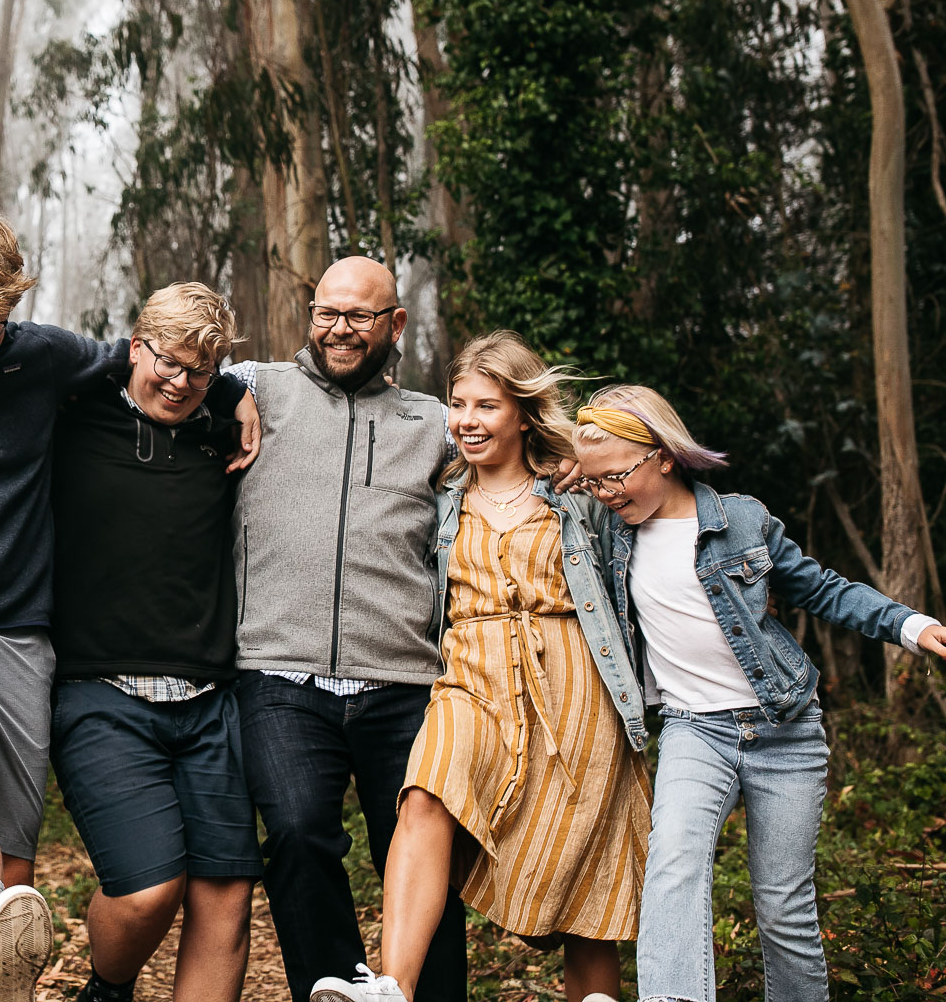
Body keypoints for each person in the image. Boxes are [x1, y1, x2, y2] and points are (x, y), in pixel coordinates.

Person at [0, 281, 260, 1002]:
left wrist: (236, 389)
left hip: (211, 694)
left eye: (198, 371)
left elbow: (280, 388)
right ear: (135, 346)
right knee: (151, 889)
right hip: (100, 688)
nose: (178, 382)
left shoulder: (221, 425)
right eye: (166, 361)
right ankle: (106, 989)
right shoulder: (72, 413)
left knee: (227, 895)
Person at [572, 385, 946, 1002]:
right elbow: (532, 461)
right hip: (696, 731)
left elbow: (822, 588)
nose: (608, 494)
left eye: (617, 478)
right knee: (672, 868)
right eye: (596, 483)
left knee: (782, 905)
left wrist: (911, 625)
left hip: (785, 729)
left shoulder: (740, 519)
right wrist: (572, 467)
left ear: (664, 456)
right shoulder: (610, 530)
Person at [311, 332, 649, 1002]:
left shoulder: (576, 496)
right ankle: (392, 987)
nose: (466, 419)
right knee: (426, 793)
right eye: (458, 403)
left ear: (522, 413)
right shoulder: (437, 492)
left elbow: (657, 517)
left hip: (576, 687)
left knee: (589, 893)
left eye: (486, 406)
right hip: (469, 676)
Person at [224, 256, 466, 1002]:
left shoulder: (435, 424)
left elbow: (519, 464)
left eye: (359, 316)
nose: (339, 329)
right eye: (327, 312)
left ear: (394, 324)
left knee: (420, 859)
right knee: (297, 835)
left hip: (403, 681)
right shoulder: (254, 388)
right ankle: (332, 991)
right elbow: (140, 367)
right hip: (279, 673)